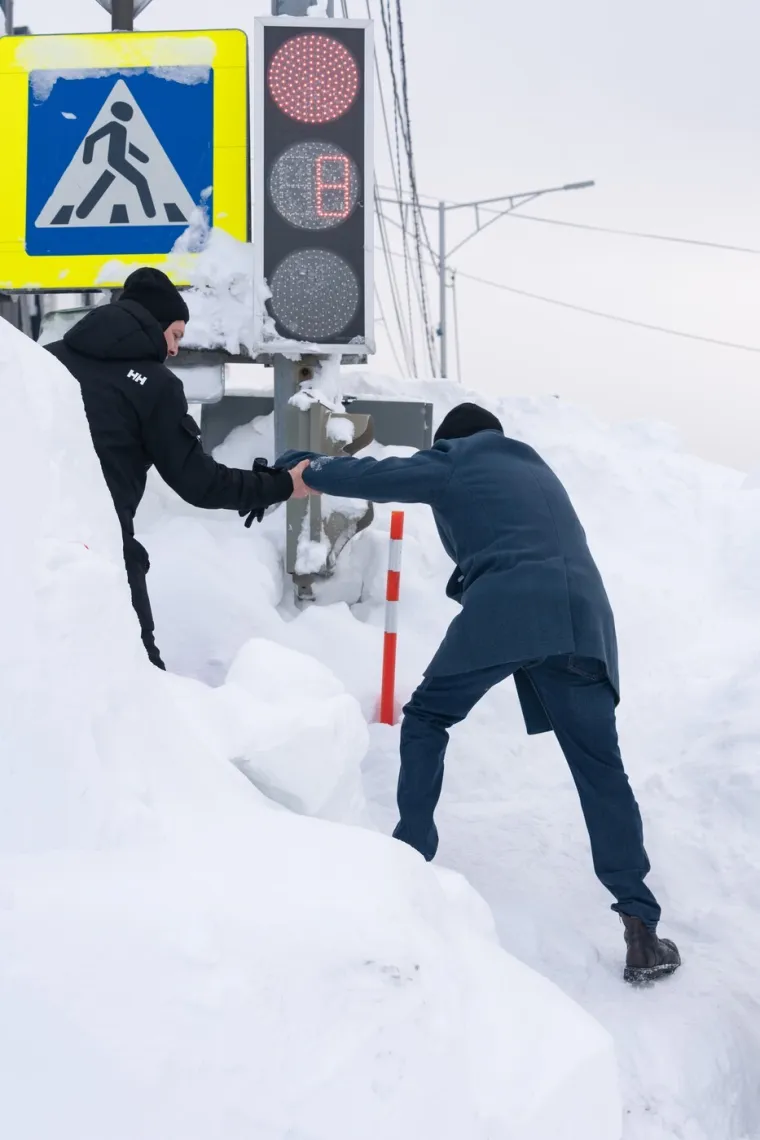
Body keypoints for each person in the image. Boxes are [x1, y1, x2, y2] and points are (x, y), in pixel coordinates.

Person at [279, 403, 680, 984]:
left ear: (451, 442)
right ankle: (641, 930)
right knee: (600, 771)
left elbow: (379, 477)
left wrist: (305, 468)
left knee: (426, 718)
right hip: (584, 620)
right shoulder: (537, 469)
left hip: (510, 607)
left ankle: (409, 858)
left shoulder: (458, 459)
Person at [47, 267, 309, 670]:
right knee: (133, 679)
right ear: (155, 326)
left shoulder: (46, 357)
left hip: (23, 542)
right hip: (98, 546)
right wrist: (280, 485)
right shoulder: (155, 385)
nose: (173, 350)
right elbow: (199, 483)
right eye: (176, 335)